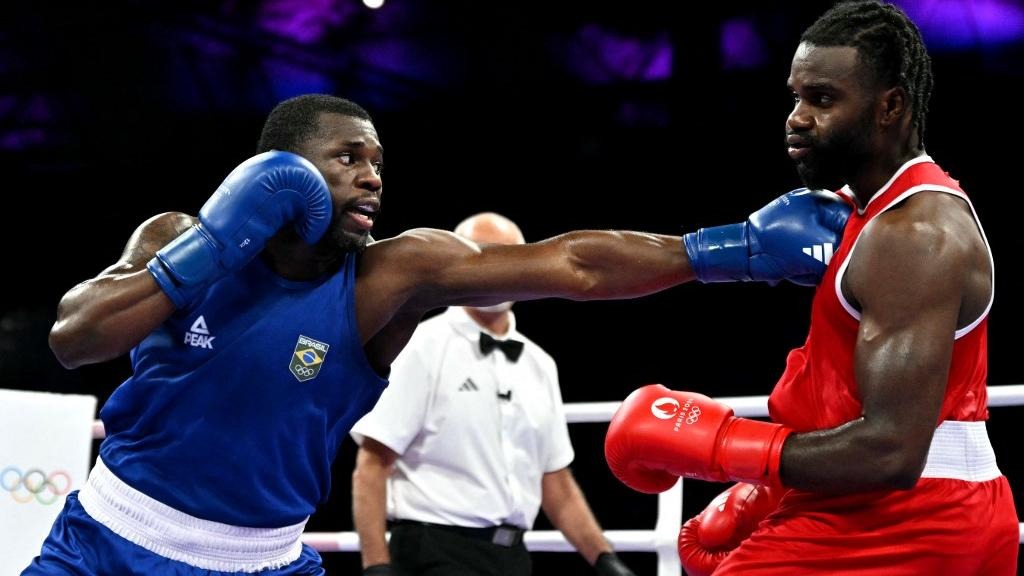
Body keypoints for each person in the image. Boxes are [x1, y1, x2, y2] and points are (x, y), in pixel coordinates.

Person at [29, 93, 850, 575]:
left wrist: (724, 253)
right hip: (107, 538)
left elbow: (570, 267)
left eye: (378, 161)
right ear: (280, 169)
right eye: (348, 157)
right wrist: (213, 244)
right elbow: (75, 339)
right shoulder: (173, 234)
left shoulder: (391, 276)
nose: (372, 176)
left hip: (260, 561)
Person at [603, 1, 1019, 575]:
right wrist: (767, 487)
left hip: (902, 517)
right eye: (795, 97)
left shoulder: (914, 233)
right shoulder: (864, 213)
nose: (795, 118)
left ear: (889, 107)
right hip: (902, 506)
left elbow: (892, 450)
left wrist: (726, 448)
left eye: (822, 99)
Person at [350, 211, 636, 576]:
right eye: (483, 255)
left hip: (513, 557)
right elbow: (372, 465)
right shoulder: (420, 346)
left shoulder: (539, 363)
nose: (497, 269)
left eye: (508, 258)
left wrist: (604, 558)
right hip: (434, 554)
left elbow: (555, 483)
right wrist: (376, 566)